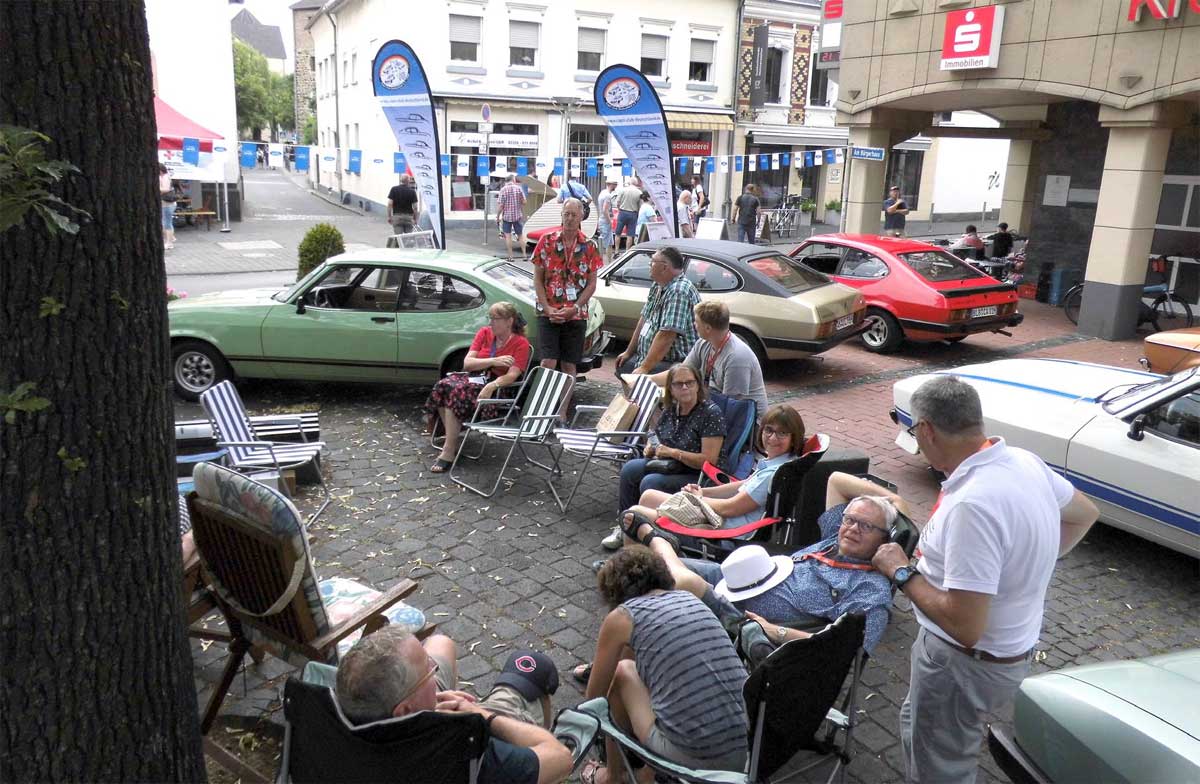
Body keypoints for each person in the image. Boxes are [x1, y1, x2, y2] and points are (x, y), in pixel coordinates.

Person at [870, 375, 1100, 784]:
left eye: (915, 434)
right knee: (921, 728)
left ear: (927, 429)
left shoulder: (972, 505)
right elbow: (1083, 513)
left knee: (940, 767)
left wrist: (899, 570)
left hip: (962, 665)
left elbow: (965, 626)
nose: (917, 444)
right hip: (1006, 654)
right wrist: (1029, 563)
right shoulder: (1023, 462)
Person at [579, 547, 749, 784]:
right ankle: (647, 772)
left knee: (621, 674)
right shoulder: (689, 598)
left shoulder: (621, 617)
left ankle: (612, 776)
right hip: (746, 748)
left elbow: (593, 698)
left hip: (700, 759)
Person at [336, 626, 573, 784]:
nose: (433, 668)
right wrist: (481, 714)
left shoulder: (331, 721)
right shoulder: (463, 750)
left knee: (441, 642)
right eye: (429, 671)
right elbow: (561, 758)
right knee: (535, 669)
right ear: (406, 710)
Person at [423, 301, 531, 472]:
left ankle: (448, 450)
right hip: (476, 378)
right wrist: (493, 361)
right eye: (490, 318)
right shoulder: (485, 333)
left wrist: (492, 385)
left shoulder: (520, 343)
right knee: (444, 385)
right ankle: (452, 441)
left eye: (495, 319)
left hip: (499, 388)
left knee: (456, 391)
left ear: (509, 321)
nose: (490, 323)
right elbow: (467, 363)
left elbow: (512, 375)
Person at [531, 198, 603, 414]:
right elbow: (537, 279)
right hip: (549, 313)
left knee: (569, 365)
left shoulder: (590, 246)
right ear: (561, 215)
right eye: (566, 214)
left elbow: (592, 284)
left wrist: (575, 307)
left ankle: (562, 411)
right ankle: (540, 409)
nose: (570, 218)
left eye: (574, 214)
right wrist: (547, 307)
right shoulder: (547, 241)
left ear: (581, 217)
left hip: (576, 315)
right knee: (548, 361)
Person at [650, 301, 768, 421]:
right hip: (714, 406)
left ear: (707, 328)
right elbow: (680, 373)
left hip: (744, 423)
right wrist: (645, 379)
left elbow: (731, 407)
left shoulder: (737, 358)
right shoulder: (704, 343)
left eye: (696, 321)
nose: (694, 324)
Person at [614, 246, 700, 375]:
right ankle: (634, 393)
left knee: (634, 377)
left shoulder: (678, 291)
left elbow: (667, 335)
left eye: (653, 261)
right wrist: (629, 351)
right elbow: (644, 318)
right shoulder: (658, 284)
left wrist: (645, 367)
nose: (649, 264)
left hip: (674, 363)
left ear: (664, 267)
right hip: (651, 357)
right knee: (623, 366)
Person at [496, 174, 527, 260]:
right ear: (513, 180)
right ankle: (524, 255)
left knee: (508, 236)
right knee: (520, 235)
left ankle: (511, 256)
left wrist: (498, 216)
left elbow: (501, 206)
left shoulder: (503, 190)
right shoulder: (519, 189)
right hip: (517, 216)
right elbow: (524, 202)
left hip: (506, 216)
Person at [614, 177, 643, 250]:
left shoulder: (623, 190)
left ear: (629, 182)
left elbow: (617, 202)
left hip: (622, 212)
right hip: (633, 214)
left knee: (618, 233)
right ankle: (627, 251)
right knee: (630, 234)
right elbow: (640, 205)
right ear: (636, 183)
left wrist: (619, 209)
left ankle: (616, 250)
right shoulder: (639, 192)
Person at [597, 176, 619, 262]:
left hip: (602, 220)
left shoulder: (603, 193)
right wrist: (610, 221)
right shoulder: (607, 196)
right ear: (611, 185)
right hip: (605, 221)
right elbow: (605, 210)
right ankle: (603, 263)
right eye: (615, 184)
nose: (616, 186)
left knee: (609, 243)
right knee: (605, 244)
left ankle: (609, 262)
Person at [159, 163, 177, 250]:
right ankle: (171, 238)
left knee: (166, 223)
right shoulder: (164, 176)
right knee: (166, 222)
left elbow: (166, 189)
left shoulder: (165, 177)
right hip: (166, 204)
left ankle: (169, 242)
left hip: (167, 203)